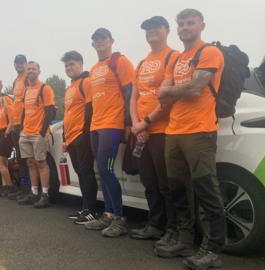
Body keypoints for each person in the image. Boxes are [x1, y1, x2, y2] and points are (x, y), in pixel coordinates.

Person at [155, 9, 225, 270]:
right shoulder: (177, 59)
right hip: (174, 131)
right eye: (181, 23)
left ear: (201, 25)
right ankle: (185, 241)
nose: (185, 27)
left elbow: (196, 88)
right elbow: (163, 96)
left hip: (200, 130)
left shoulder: (208, 52)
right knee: (178, 190)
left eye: (190, 22)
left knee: (207, 190)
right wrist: (172, 91)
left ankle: (213, 249)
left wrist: (170, 89)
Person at [129, 16, 179, 241]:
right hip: (142, 132)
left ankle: (173, 229)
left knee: (165, 183)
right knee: (149, 182)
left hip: (163, 131)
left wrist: (145, 122)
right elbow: (134, 97)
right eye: (147, 28)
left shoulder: (173, 57)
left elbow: (169, 98)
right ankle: (155, 225)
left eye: (156, 27)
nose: (151, 31)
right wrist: (136, 125)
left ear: (167, 31)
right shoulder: (141, 63)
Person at [83, 28, 135, 237]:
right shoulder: (94, 69)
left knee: (107, 169)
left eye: (104, 39)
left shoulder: (120, 61)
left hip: (113, 125)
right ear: (93, 44)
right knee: (101, 170)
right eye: (96, 40)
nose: (100, 42)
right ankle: (108, 214)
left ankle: (120, 218)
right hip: (96, 125)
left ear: (111, 40)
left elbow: (130, 91)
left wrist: (129, 123)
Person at [60, 51, 98, 224]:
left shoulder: (86, 82)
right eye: (66, 65)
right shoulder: (70, 87)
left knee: (86, 172)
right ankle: (84, 208)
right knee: (81, 174)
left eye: (72, 64)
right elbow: (68, 114)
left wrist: (84, 134)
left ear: (81, 64)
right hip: (71, 138)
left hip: (82, 136)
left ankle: (91, 211)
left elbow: (90, 109)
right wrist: (64, 139)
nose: (69, 68)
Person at [17, 61, 56, 208]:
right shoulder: (26, 90)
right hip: (25, 133)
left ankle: (45, 194)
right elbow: (24, 111)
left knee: (41, 163)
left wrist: (42, 131)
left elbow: (51, 111)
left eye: (33, 69)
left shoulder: (45, 88)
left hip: (38, 134)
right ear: (25, 72)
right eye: (28, 69)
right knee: (30, 163)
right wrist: (22, 128)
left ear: (39, 71)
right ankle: (34, 193)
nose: (31, 71)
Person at [7, 54, 30, 199]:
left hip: (25, 124)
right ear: (14, 65)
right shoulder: (16, 80)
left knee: (27, 159)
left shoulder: (28, 77)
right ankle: (23, 187)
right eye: (17, 63)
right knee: (20, 159)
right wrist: (12, 124)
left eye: (22, 63)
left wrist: (23, 122)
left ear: (26, 64)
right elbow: (16, 103)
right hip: (15, 124)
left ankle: (28, 188)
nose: (19, 65)